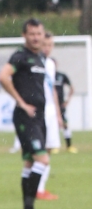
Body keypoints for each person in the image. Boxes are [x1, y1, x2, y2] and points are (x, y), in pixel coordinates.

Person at [0, 19, 55, 209]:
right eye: (32, 34)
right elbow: (3, 77)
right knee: (43, 160)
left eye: (39, 33)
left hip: (39, 116)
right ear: (24, 35)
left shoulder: (39, 57)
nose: (36, 37)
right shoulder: (20, 57)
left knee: (30, 163)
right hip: (26, 117)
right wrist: (21, 102)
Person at [37, 31, 63, 198]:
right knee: (39, 150)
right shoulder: (33, 62)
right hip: (39, 111)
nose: (47, 48)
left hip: (51, 112)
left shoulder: (51, 64)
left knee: (49, 148)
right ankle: (38, 188)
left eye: (50, 45)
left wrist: (58, 114)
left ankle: (40, 186)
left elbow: (52, 89)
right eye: (45, 44)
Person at [55, 63, 75, 151]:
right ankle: (54, 146)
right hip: (50, 105)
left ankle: (69, 145)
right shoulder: (46, 75)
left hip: (60, 104)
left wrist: (68, 100)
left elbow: (72, 87)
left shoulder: (61, 76)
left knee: (65, 124)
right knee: (53, 125)